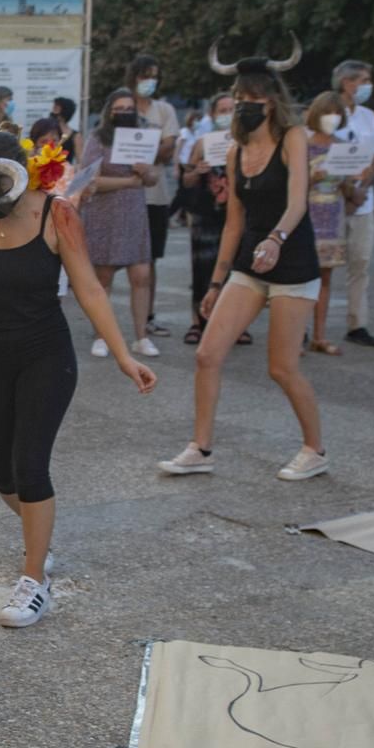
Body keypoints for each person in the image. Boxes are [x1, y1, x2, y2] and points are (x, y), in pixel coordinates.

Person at [0, 130, 157, 628]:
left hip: (45, 355)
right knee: (4, 477)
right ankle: (39, 540)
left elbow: (89, 289)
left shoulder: (56, 213)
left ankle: (34, 579)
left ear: (16, 176)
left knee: (30, 467)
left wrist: (123, 355)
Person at [159, 42, 326, 482]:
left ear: (272, 101)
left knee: (282, 367)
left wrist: (276, 239)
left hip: (292, 260)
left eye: (254, 99)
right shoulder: (235, 151)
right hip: (249, 263)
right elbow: (234, 221)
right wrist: (215, 285)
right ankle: (201, 448)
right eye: (240, 99)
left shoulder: (293, 138)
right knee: (207, 354)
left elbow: (298, 202)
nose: (245, 106)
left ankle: (315, 449)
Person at [77, 88, 159, 358]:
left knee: (141, 275)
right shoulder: (98, 138)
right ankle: (101, 336)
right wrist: (129, 181)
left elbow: (153, 179)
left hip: (134, 213)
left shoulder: (142, 136)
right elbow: (90, 179)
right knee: (104, 277)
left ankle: (141, 337)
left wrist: (146, 172)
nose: (124, 113)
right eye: (119, 109)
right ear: (109, 112)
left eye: (128, 108)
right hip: (106, 213)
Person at [331, 59, 374, 347]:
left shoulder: (369, 116)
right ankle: (307, 327)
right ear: (346, 82)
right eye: (363, 80)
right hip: (330, 203)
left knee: (360, 264)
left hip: (364, 203)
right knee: (321, 267)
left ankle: (357, 324)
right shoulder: (328, 113)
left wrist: (361, 189)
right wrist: (347, 191)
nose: (368, 86)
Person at [125, 55, 180, 337]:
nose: (150, 81)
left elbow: (168, 149)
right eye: (145, 75)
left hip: (155, 197)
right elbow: (114, 148)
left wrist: (138, 153)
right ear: (134, 77)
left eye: (154, 76)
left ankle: (148, 316)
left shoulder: (165, 110)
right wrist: (149, 150)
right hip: (124, 195)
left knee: (150, 259)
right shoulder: (123, 106)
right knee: (110, 261)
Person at [302, 92, 353, 354]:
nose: (332, 118)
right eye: (327, 112)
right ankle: (297, 335)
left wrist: (355, 179)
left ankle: (319, 336)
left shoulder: (344, 147)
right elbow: (291, 187)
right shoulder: (303, 145)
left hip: (333, 216)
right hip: (306, 216)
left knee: (325, 278)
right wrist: (313, 177)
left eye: (337, 113)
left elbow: (350, 192)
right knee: (300, 278)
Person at [183, 93, 235, 345]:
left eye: (231, 109)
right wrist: (197, 171)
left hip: (235, 215)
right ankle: (198, 321)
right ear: (213, 115)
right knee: (202, 269)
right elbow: (186, 180)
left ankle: (234, 325)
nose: (227, 115)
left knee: (235, 271)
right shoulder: (203, 143)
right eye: (222, 110)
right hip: (205, 214)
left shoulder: (246, 144)